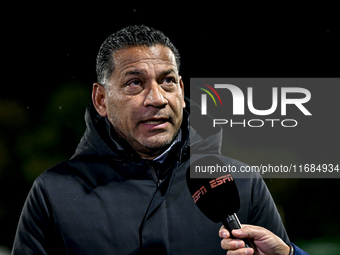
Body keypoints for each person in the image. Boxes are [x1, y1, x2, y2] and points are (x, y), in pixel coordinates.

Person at [12, 25, 309, 255]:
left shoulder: (243, 183)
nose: (156, 98)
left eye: (167, 81)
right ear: (101, 99)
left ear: (180, 89)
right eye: (134, 83)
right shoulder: (53, 194)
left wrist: (287, 253)